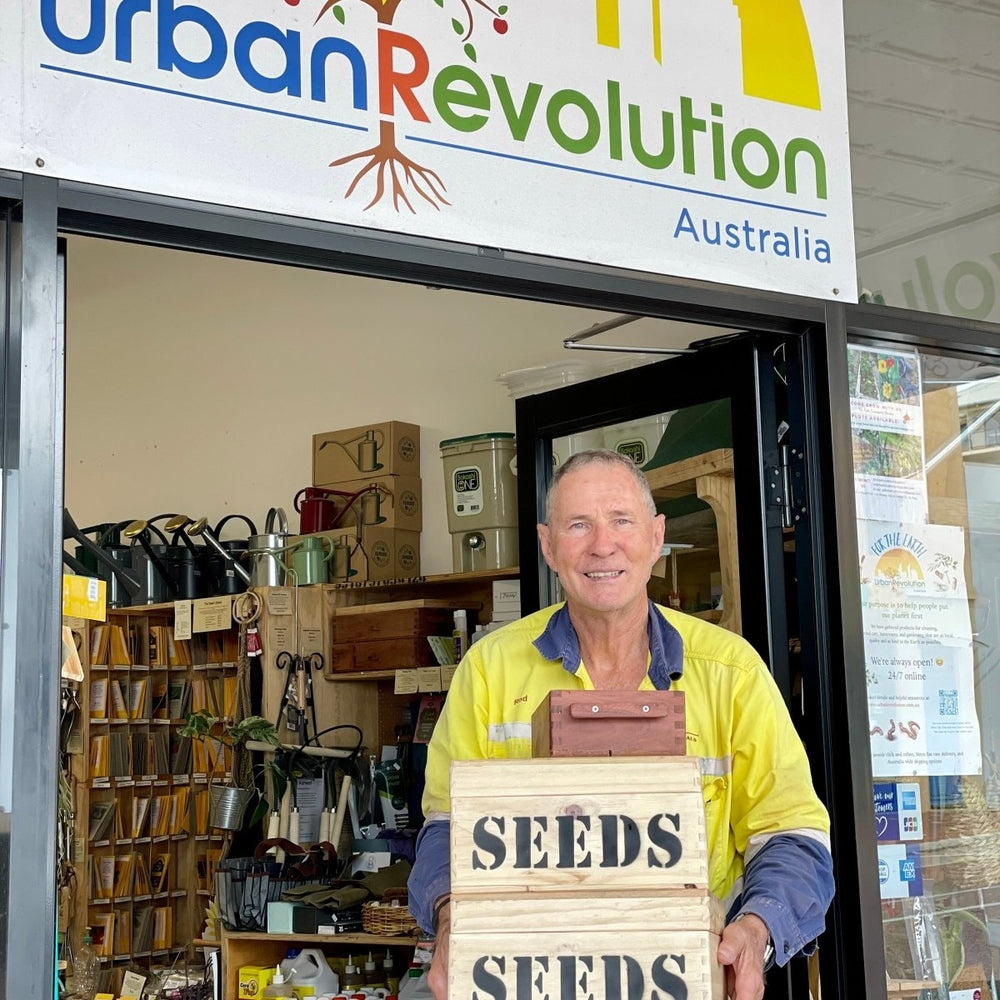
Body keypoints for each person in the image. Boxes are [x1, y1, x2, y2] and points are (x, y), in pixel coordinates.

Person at [408, 449, 834, 1000]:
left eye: (621, 521)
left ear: (656, 537)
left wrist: (756, 931)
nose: (602, 545)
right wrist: (448, 920)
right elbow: (446, 828)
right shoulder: (490, 670)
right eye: (578, 524)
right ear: (547, 545)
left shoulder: (732, 672)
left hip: (685, 978)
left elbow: (792, 837)